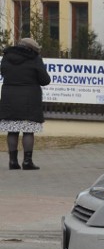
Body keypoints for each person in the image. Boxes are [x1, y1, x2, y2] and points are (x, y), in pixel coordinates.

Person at [0, 37, 51, 170]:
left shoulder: (6, 57)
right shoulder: (35, 59)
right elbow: (45, 80)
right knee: (28, 131)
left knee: (12, 130)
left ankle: (12, 162)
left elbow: (3, 73)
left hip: (9, 97)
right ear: (32, 49)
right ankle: (27, 162)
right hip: (29, 98)